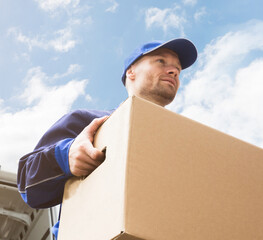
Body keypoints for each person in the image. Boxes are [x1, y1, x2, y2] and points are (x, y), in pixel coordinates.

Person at [17, 38, 197, 238]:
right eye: (161, 61)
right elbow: (26, 183)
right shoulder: (88, 121)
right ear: (131, 72)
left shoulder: (185, 146)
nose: (173, 71)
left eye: (178, 70)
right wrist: (66, 155)